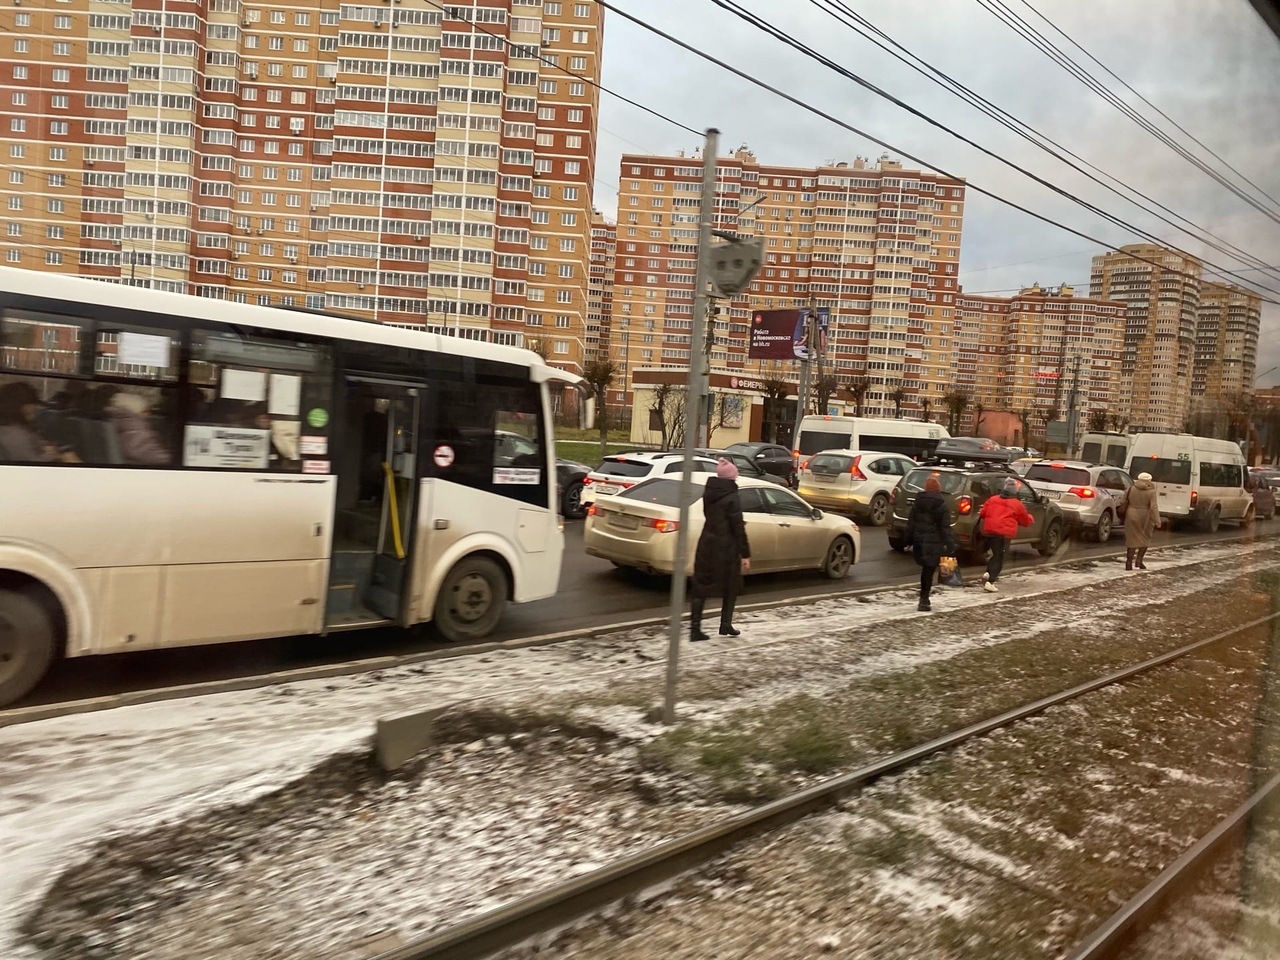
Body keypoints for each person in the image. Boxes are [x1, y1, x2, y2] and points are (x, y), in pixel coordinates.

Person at [690, 457, 751, 642]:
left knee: (701, 587)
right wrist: (745, 554)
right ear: (731, 478)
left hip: (707, 543)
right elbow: (737, 527)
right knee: (731, 586)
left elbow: (713, 517)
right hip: (726, 548)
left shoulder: (709, 493)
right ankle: (725, 624)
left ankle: (695, 629)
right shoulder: (732, 497)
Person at [905, 475, 955, 612]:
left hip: (920, 542)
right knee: (929, 570)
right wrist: (951, 545)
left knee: (925, 570)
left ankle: (923, 598)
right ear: (938, 489)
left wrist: (907, 541)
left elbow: (911, 524)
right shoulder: (942, 505)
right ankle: (924, 599)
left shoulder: (917, 503)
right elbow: (945, 528)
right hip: (934, 542)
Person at [977, 476, 1033, 593]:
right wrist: (1030, 518)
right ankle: (990, 581)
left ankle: (988, 573)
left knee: (994, 554)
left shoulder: (993, 499)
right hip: (1003, 534)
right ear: (1015, 491)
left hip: (989, 531)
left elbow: (983, 513)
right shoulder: (1017, 504)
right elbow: (1024, 521)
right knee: (999, 557)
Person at [0, 381, 78, 463]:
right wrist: (51, 455)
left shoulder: (13, 429)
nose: (35, 408)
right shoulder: (15, 435)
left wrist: (44, 446)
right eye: (31, 403)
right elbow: (30, 465)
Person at [105, 391, 170, 465]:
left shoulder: (115, 420)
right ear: (135, 411)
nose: (149, 414)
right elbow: (144, 452)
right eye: (145, 411)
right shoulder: (134, 425)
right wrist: (171, 458)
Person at [1122, 471, 1160, 570]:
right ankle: (1139, 561)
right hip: (1145, 516)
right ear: (1149, 481)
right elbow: (1153, 506)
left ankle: (1129, 562)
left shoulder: (1131, 488)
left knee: (1131, 539)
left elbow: (1122, 501)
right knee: (1145, 538)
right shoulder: (1151, 491)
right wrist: (1157, 520)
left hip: (1131, 514)